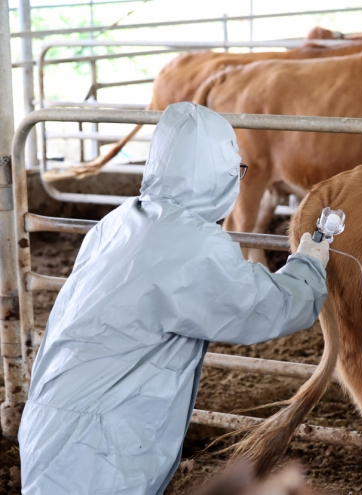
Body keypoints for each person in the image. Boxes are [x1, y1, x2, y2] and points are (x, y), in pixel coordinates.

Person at [18, 102, 329, 495]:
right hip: (98, 447)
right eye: (236, 171)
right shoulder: (191, 243)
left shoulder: (120, 220)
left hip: (52, 420)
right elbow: (264, 306)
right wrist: (309, 264)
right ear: (219, 175)